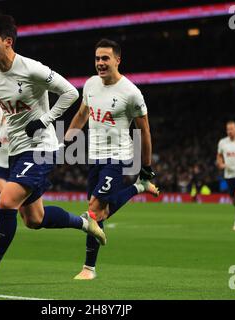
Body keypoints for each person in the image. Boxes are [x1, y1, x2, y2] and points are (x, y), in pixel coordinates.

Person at [0, 13, 105, 292]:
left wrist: (47, 119)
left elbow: (70, 93)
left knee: (6, 201)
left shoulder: (31, 69)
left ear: (8, 41)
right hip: (17, 150)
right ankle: (84, 222)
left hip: (41, 147)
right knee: (34, 220)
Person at [65, 39, 159, 280]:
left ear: (118, 60)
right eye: (97, 58)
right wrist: (65, 140)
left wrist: (146, 166)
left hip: (117, 157)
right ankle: (89, 268)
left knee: (94, 211)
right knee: (97, 212)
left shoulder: (131, 93)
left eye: (105, 58)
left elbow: (144, 132)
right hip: (94, 157)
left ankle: (88, 268)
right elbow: (82, 114)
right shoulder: (90, 84)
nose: (100, 63)